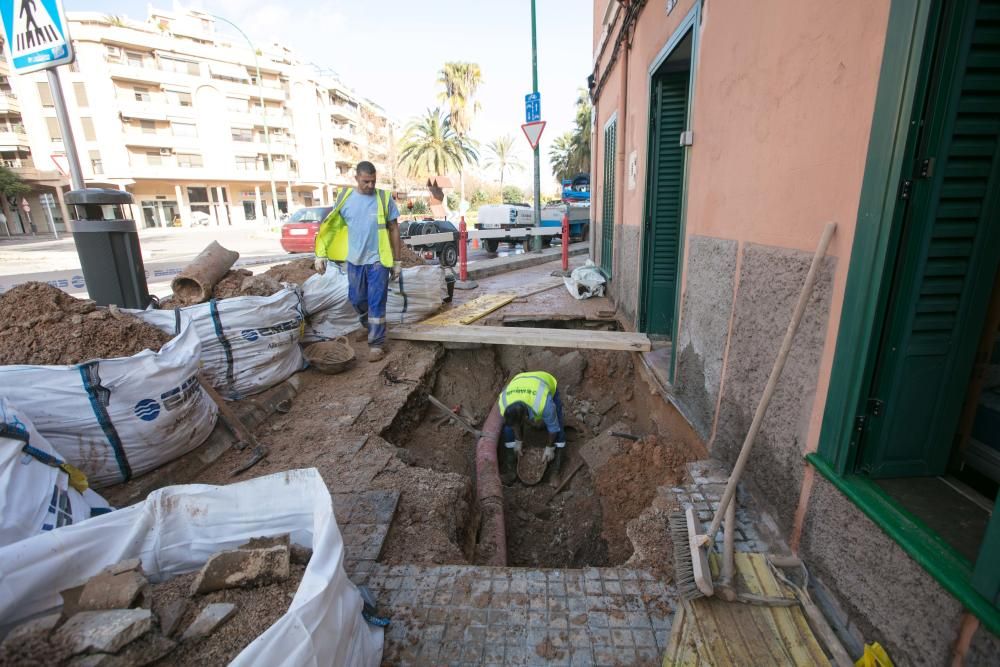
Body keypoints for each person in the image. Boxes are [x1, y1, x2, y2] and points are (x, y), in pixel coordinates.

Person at [314, 161, 402, 362]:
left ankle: (377, 343)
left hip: (379, 259)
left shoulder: (383, 198)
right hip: (354, 260)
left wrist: (398, 261)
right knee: (356, 298)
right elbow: (331, 227)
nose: (370, 186)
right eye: (366, 182)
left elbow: (394, 229)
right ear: (356, 179)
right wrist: (321, 253)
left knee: (377, 301)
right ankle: (368, 325)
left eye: (373, 181)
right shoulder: (345, 199)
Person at [498, 371, 567, 485]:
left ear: (526, 417)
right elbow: (513, 424)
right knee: (508, 431)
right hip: (519, 380)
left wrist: (549, 447)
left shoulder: (544, 403)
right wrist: (518, 440)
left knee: (558, 430)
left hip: (545, 381)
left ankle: (555, 471)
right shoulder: (503, 403)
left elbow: (553, 428)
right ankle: (511, 470)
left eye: (519, 423)